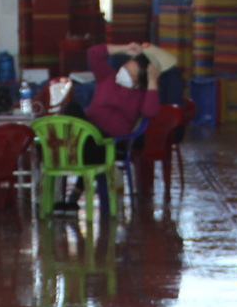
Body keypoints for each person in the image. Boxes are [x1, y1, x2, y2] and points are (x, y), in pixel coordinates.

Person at [51, 41, 160, 213]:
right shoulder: (107, 78)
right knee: (71, 108)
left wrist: (153, 80)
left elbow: (151, 111)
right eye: (124, 66)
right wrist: (123, 48)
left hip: (107, 145)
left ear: (139, 81)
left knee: (93, 141)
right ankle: (63, 198)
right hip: (84, 137)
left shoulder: (140, 95)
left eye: (129, 72)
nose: (122, 72)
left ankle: (72, 200)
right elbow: (93, 52)